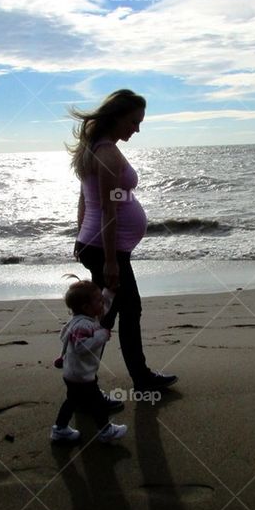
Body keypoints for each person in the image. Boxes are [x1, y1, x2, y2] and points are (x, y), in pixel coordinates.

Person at [68, 89, 178, 392]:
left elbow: (84, 200)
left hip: (100, 246)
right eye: (133, 121)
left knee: (108, 314)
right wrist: (112, 262)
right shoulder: (105, 154)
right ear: (116, 118)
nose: (137, 129)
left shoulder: (97, 149)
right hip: (107, 249)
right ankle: (121, 380)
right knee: (123, 312)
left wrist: (82, 236)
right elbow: (107, 209)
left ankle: (83, 378)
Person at [51, 278, 128, 443]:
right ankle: (106, 430)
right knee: (97, 403)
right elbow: (80, 347)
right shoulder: (83, 326)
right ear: (87, 307)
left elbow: (104, 307)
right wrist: (101, 336)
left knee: (72, 401)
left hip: (73, 373)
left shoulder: (83, 319)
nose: (102, 304)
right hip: (81, 375)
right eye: (98, 301)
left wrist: (109, 291)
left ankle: (60, 428)